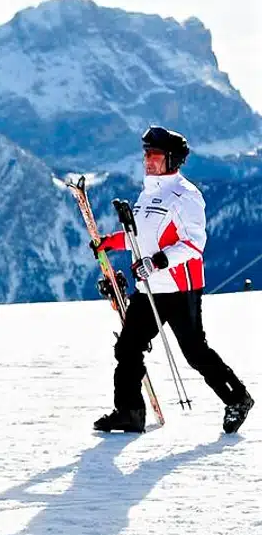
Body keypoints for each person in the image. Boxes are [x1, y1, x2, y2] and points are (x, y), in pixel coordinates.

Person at [92, 126, 252, 434]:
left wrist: (158, 262)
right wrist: (109, 242)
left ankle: (238, 398)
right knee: (126, 348)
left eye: (153, 155)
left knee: (194, 352)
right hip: (149, 287)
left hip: (181, 288)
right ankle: (130, 412)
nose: (147, 160)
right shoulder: (147, 193)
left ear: (171, 159)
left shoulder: (186, 195)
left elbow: (194, 244)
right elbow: (138, 238)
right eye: (146, 154)